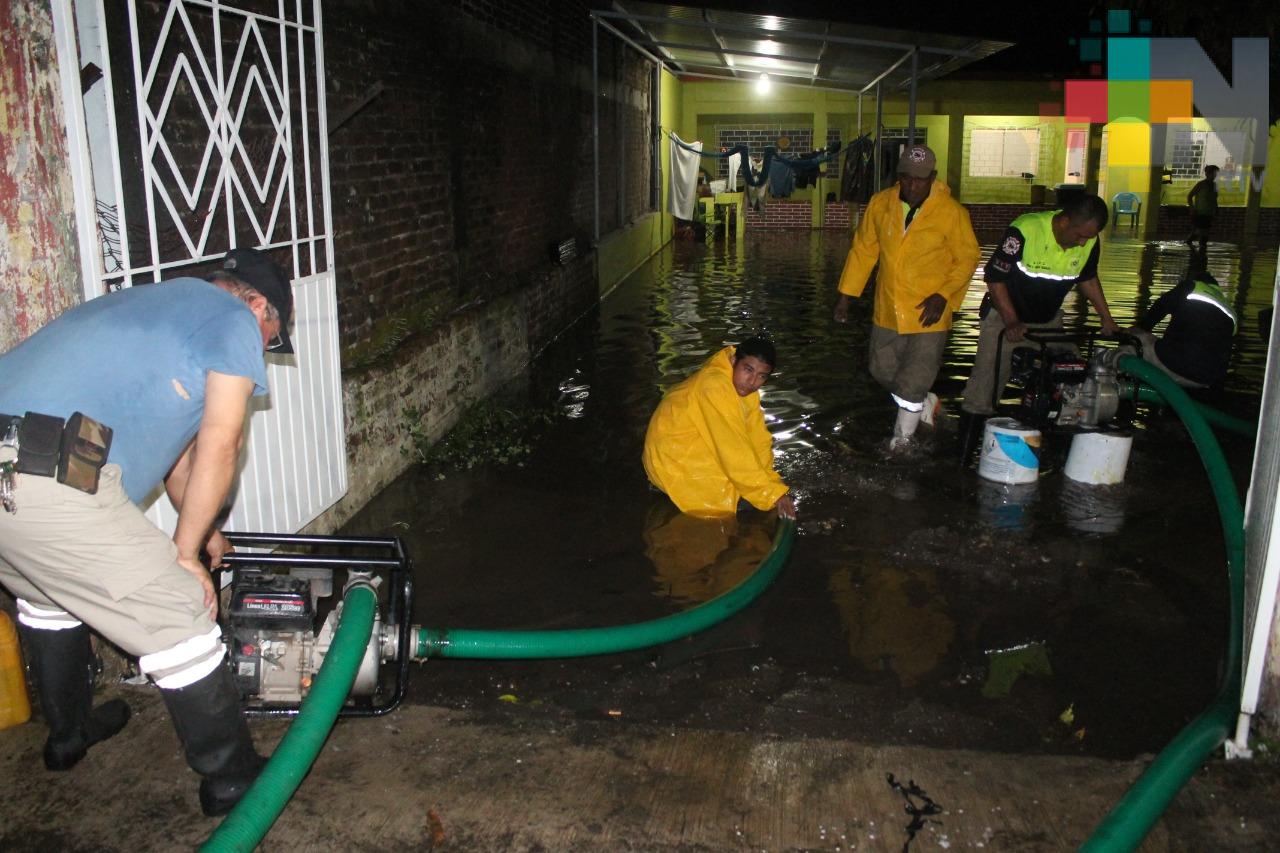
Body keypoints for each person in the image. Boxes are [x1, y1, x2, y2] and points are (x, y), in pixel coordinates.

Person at [0, 247, 293, 816]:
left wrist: (204, 535)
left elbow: (181, 463)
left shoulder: (156, 307)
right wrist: (184, 557)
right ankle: (231, 777)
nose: (261, 352)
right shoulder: (231, 319)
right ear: (257, 305)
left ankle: (70, 733)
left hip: (12, 469)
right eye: (270, 336)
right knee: (177, 613)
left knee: (47, 597)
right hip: (48, 475)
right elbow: (222, 441)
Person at [833, 143, 980, 451]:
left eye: (921, 179)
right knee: (881, 369)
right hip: (888, 308)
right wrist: (846, 296)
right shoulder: (880, 204)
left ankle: (902, 441)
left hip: (930, 312)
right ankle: (923, 400)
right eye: (908, 178)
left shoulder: (952, 212)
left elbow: (967, 258)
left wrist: (943, 295)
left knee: (913, 380)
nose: (913, 185)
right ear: (898, 175)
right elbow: (864, 250)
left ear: (933, 177)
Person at [960, 194, 1120, 422]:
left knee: (1074, 375)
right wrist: (1011, 321)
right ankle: (968, 444)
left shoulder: (1090, 241)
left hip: (1049, 321)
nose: (1083, 242)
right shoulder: (1025, 230)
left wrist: (1107, 318)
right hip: (1004, 320)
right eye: (1080, 236)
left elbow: (1088, 279)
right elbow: (995, 278)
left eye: (1089, 237)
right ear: (1064, 222)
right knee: (983, 389)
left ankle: (1059, 428)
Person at [643, 337, 797, 519]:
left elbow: (757, 439)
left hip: (692, 448)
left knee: (758, 494)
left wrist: (773, 484)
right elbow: (731, 450)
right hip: (672, 462)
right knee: (737, 506)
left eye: (761, 376)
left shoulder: (743, 390)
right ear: (733, 361)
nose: (752, 381)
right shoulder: (714, 386)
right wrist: (770, 494)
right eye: (748, 370)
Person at [1129, 265, 1236, 388]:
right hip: (1209, 379)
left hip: (1176, 364)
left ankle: (1117, 393)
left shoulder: (1193, 286)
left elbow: (1158, 309)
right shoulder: (1231, 312)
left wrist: (1136, 330)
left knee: (1133, 342)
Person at [1186, 164, 1219, 253]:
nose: (1215, 175)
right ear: (1207, 174)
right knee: (1200, 232)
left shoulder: (1215, 186)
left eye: (1216, 173)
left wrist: (1216, 210)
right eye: (1213, 173)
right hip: (1199, 212)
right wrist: (1192, 208)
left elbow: (1215, 199)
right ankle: (1192, 247)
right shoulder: (1201, 184)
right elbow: (1189, 196)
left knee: (1205, 234)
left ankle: (1201, 254)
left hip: (1208, 213)